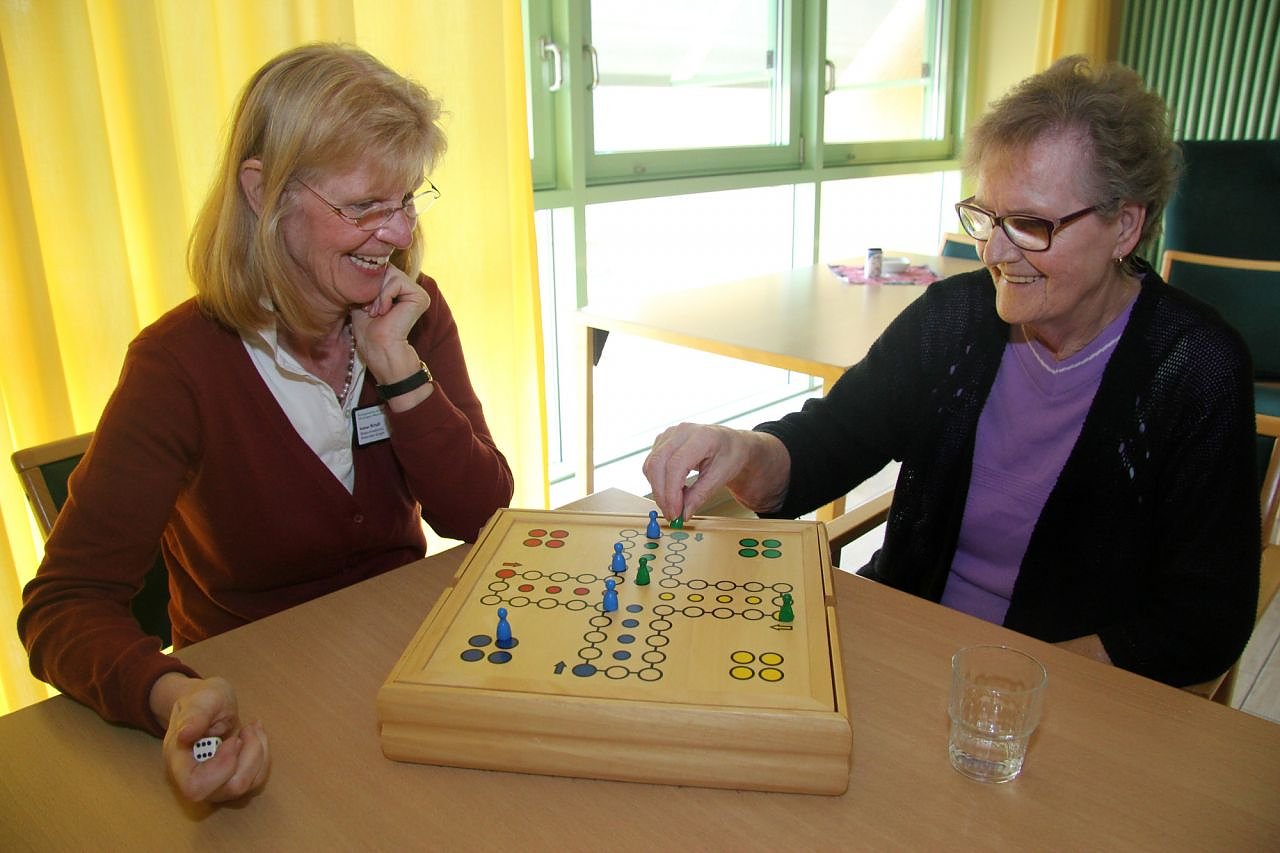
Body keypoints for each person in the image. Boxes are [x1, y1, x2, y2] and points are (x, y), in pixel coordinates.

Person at [644, 56, 1260, 691]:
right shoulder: (954, 319)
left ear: (1125, 226)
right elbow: (829, 443)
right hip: (907, 642)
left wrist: (1011, 683)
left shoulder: (1197, 368)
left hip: (1063, 689)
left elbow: (1206, 618)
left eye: (1031, 224)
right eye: (988, 217)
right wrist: (741, 450)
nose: (994, 252)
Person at [18, 44, 514, 803]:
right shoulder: (178, 365)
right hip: (256, 701)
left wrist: (398, 368)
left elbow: (482, 516)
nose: (398, 234)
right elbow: (63, 605)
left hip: (400, 669)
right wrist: (175, 696)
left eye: (408, 199)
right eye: (364, 206)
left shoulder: (411, 311)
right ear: (263, 192)